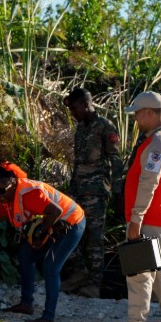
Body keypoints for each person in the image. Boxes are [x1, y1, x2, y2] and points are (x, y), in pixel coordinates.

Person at [0, 162, 86, 322]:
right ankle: (26, 304)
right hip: (52, 225)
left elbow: (56, 211)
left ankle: (48, 317)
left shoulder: (29, 193)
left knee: (50, 266)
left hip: (71, 223)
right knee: (25, 255)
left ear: (12, 183)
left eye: (1, 191)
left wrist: (40, 234)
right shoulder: (6, 196)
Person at [113, 91, 161, 322]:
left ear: (150, 113)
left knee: (139, 271)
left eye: (137, 114)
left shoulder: (157, 142)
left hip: (149, 217)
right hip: (160, 217)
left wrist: (136, 218)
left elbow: (148, 182)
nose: (135, 120)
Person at [63, 88, 123, 298]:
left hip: (96, 192)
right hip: (78, 189)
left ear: (86, 105)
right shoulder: (81, 128)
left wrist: (117, 192)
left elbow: (116, 161)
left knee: (94, 238)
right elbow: (78, 162)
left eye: (74, 108)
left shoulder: (105, 127)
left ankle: (94, 285)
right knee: (69, 229)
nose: (72, 113)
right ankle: (79, 273)